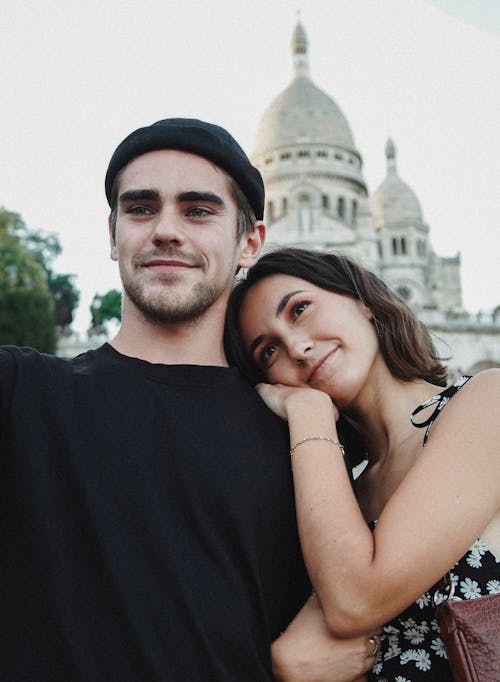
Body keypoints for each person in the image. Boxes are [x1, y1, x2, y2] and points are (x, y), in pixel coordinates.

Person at [0, 120, 375, 681]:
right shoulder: (19, 392)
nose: (166, 230)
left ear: (250, 241)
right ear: (112, 234)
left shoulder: (313, 438)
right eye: (141, 208)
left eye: (198, 210)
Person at [226, 247, 500, 681]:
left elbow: (356, 600)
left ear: (362, 300)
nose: (296, 347)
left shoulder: (487, 402)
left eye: (300, 309)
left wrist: (309, 413)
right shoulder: (339, 489)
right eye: (268, 351)